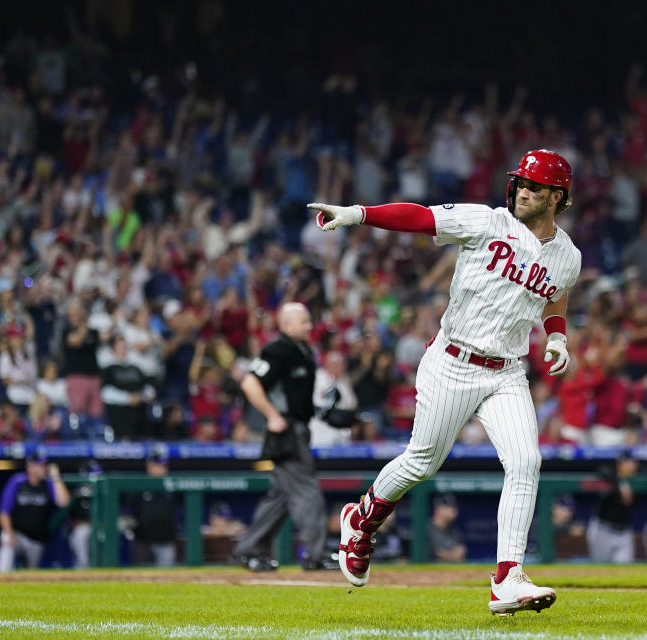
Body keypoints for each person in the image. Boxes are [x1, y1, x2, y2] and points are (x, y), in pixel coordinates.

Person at [310, 148, 581, 615]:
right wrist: (357, 214)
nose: (522, 191)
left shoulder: (568, 255)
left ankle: (508, 578)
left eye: (534, 186)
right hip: (452, 360)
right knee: (421, 463)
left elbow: (554, 301)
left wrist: (557, 339)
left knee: (526, 462)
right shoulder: (487, 221)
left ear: (557, 196)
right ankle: (362, 517)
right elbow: (418, 217)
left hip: (507, 371)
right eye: (520, 182)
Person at [230, 302, 337, 572]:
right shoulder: (278, 349)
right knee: (307, 492)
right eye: (303, 322)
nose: (310, 326)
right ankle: (317, 553)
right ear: (287, 325)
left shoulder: (303, 351)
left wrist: (324, 413)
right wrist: (272, 415)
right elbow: (249, 382)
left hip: (298, 428)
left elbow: (297, 397)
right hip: (286, 433)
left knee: (279, 499)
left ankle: (248, 550)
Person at [0, 451, 70, 572]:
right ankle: (1, 577)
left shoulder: (49, 483)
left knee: (30, 572)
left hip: (37, 539)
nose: (44, 468)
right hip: (17, 534)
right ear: (30, 467)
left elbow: (63, 502)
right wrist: (10, 534)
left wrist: (56, 477)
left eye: (44, 465)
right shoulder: (17, 482)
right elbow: (4, 512)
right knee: (6, 540)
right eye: (40, 465)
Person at [128, 448, 177, 567]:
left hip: (165, 542)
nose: (159, 468)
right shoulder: (139, 486)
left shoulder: (173, 486)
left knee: (167, 579)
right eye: (156, 464)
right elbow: (130, 511)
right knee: (140, 578)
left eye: (162, 465)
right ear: (148, 466)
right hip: (143, 542)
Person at [588, 451, 638, 564]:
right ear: (619, 465)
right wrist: (621, 484)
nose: (631, 465)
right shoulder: (610, 477)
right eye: (626, 462)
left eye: (633, 462)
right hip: (603, 530)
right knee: (601, 570)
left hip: (624, 532)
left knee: (624, 572)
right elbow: (602, 469)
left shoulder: (638, 479)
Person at [427, 494, 467, 562]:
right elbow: (431, 553)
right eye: (448, 507)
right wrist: (452, 556)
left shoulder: (455, 532)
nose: (453, 510)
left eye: (455, 507)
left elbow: (461, 552)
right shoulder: (424, 529)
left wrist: (446, 555)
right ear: (437, 510)